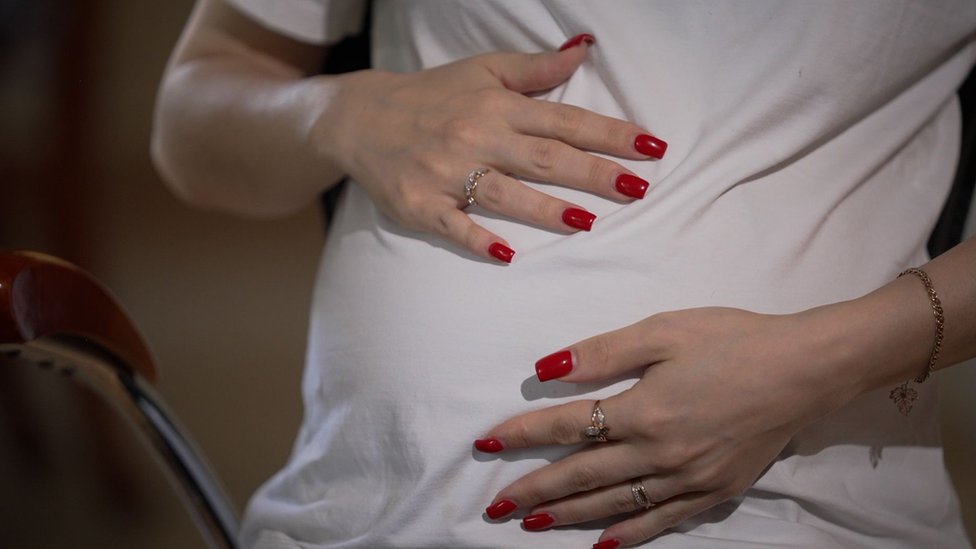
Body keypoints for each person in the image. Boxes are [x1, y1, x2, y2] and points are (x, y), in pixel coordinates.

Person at [151, 1, 976, 547]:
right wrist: (340, 114)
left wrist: (811, 366)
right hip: (360, 512)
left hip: (785, 514)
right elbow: (190, 120)